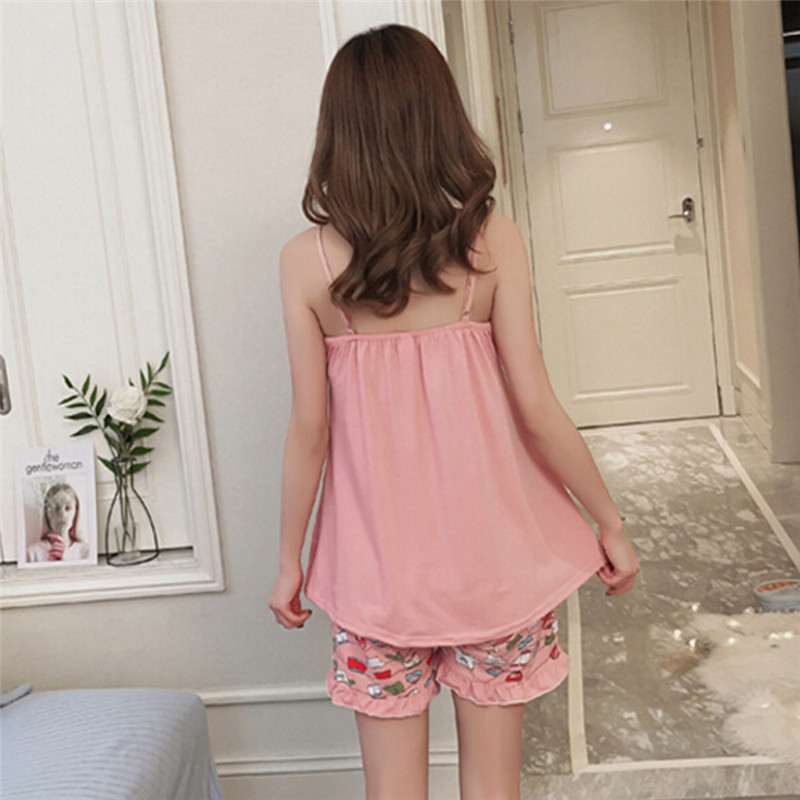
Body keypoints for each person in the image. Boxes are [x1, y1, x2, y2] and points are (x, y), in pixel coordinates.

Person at [269, 23, 640, 800]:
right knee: (493, 787)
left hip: (375, 581)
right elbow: (536, 408)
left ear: (339, 133)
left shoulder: (306, 264)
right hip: (493, 572)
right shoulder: (491, 244)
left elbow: (310, 431)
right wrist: (607, 519)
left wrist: (289, 558)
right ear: (440, 118)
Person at [26, 482, 90, 562]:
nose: (62, 514)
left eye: (68, 508)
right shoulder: (32, 554)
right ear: (47, 513)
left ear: (76, 512)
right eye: (56, 508)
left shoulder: (86, 552)